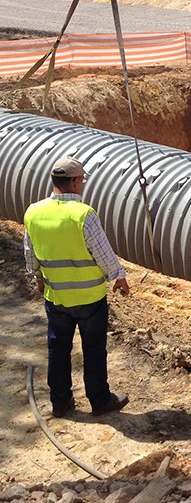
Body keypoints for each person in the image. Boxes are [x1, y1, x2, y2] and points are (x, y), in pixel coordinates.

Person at [23, 156, 130, 418]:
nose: (82, 183)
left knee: (58, 350)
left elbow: (31, 252)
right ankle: (99, 400)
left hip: (56, 297)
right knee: (93, 349)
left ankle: (60, 403)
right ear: (73, 181)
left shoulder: (34, 212)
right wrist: (119, 276)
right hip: (89, 298)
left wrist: (37, 276)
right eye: (81, 179)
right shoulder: (83, 214)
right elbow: (102, 252)